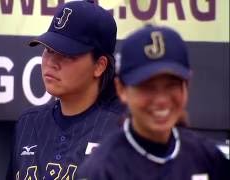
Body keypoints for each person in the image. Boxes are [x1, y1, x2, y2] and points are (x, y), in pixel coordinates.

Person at [78, 25, 230, 180]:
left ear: (187, 86)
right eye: (147, 87)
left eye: (171, 85)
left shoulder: (207, 158)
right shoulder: (101, 170)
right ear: (121, 89)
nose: (161, 100)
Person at [6, 1, 126, 179]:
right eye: (48, 49)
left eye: (67, 54)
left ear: (99, 66)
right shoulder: (28, 124)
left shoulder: (124, 129)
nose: (51, 63)